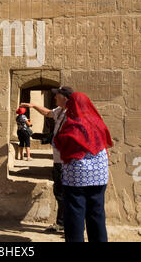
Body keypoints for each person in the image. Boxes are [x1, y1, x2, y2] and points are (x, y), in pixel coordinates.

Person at [54, 92, 113, 242]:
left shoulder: (72, 125)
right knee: (97, 213)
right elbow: (105, 141)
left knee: (75, 214)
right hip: (99, 176)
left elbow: (60, 144)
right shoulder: (97, 122)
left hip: (77, 177)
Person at [20, 86, 74, 233]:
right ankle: (63, 223)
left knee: (65, 193)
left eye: (57, 96)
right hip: (59, 160)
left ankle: (67, 225)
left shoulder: (71, 114)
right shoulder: (60, 110)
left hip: (65, 162)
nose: (55, 98)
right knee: (60, 192)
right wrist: (33, 105)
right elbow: (48, 113)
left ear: (65, 98)